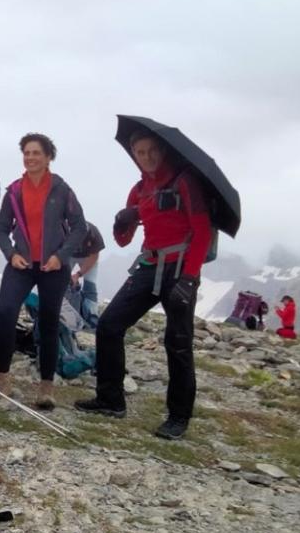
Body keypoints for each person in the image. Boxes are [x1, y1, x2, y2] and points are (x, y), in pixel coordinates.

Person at [75, 128, 213, 441]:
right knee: (109, 325)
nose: (147, 157)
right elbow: (124, 241)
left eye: (152, 150)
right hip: (149, 266)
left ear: (162, 151)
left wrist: (190, 279)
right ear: (134, 155)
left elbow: (202, 232)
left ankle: (179, 417)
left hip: (179, 268)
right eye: (140, 152)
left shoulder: (184, 181)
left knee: (178, 342)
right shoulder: (139, 189)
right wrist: (122, 221)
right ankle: (111, 400)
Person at [0, 133, 87, 410]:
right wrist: (12, 254)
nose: (30, 157)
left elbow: (79, 226)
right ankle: (2, 376)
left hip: (53, 266)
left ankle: (46, 386)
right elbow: (0, 229)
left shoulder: (61, 189)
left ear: (48, 157)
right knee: (6, 314)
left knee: (47, 322)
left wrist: (61, 256)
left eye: (36, 153)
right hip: (21, 264)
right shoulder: (14, 191)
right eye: (27, 152)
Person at [66, 222, 105, 329]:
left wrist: (78, 274)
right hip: (67, 255)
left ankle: (92, 315)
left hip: (87, 257)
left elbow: (93, 257)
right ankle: (68, 313)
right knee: (64, 283)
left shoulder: (94, 233)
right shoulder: (61, 230)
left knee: (90, 284)